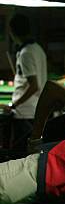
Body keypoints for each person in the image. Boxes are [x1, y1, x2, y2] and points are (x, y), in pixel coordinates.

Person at [1, 14, 47, 152]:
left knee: (19, 153)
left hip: (24, 112)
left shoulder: (26, 52)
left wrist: (14, 105)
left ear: (12, 31)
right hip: (35, 109)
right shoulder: (37, 48)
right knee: (30, 152)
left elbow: (34, 86)